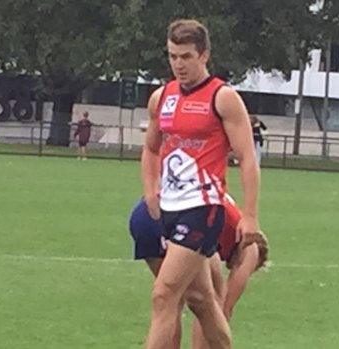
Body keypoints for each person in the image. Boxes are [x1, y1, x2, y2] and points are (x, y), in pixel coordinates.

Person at [141, 18, 260, 349]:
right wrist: (149, 189)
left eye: (186, 56)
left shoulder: (222, 98)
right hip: (168, 208)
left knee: (164, 294)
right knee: (203, 302)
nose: (179, 64)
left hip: (202, 209)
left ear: (204, 55)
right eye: (173, 56)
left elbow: (248, 159)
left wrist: (249, 215)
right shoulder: (161, 97)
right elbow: (151, 148)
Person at [128, 195, 268, 349]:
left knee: (171, 300)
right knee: (211, 300)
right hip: (189, 221)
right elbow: (225, 307)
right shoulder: (251, 249)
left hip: (145, 214)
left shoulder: (228, 227)